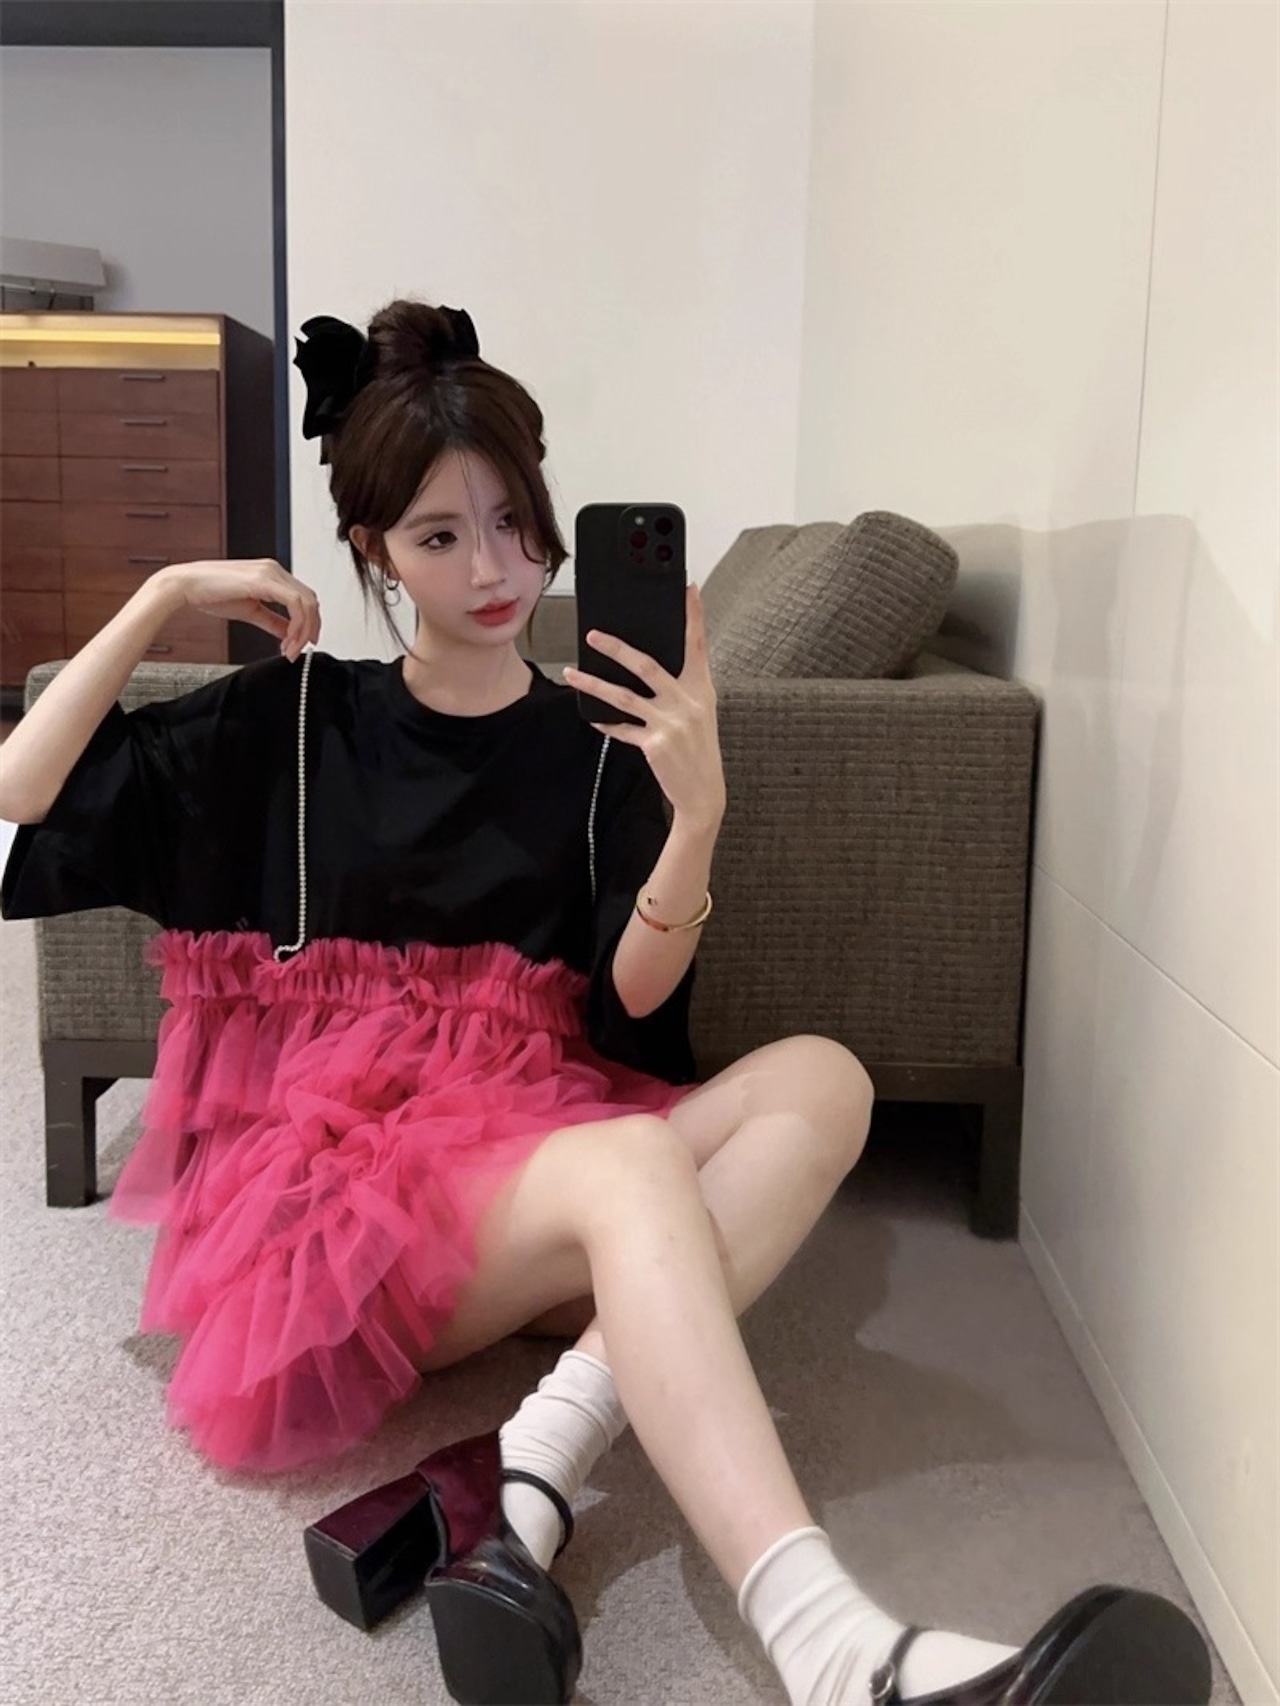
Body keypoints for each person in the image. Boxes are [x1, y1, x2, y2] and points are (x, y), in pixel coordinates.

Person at [0, 299, 1211, 1706]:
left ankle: (539, 1452)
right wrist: (165, 592)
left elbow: (633, 1001)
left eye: (514, 523)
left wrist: (696, 815)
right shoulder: (301, 718)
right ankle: (835, 1647)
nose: (493, 568)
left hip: (528, 1178)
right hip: (349, 1221)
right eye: (439, 537)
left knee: (826, 1078)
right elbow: (22, 790)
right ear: (373, 550)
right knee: (636, 1161)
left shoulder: (597, 737)